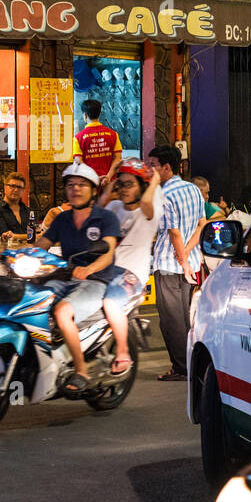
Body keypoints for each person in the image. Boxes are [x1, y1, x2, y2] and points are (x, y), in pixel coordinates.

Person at [35, 163, 125, 395]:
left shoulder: (105, 218)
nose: (75, 189)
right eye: (71, 185)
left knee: (63, 312)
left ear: (94, 190)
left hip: (95, 281)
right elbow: (40, 247)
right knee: (32, 302)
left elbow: (108, 252)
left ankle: (81, 370)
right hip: (64, 278)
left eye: (82, 185)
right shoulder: (62, 219)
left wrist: (89, 268)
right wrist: (9, 256)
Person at [98, 158, 161, 376]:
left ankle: (123, 352)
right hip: (105, 270)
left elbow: (145, 204)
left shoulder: (151, 208)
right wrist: (112, 177)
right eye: (121, 184)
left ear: (142, 186)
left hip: (131, 276)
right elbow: (99, 208)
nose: (124, 189)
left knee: (110, 302)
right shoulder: (115, 206)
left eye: (130, 184)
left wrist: (153, 181)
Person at [148, 145, 205, 381]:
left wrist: (181, 261)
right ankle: (190, 365)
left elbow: (174, 233)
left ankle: (182, 369)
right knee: (184, 318)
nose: (149, 170)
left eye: (152, 166)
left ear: (166, 167)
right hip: (189, 262)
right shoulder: (193, 189)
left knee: (171, 320)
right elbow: (202, 224)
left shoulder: (164, 194)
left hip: (170, 264)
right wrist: (188, 258)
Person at [73, 99, 122, 181]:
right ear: (99, 113)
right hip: (109, 184)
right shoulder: (113, 135)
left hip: (89, 184)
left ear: (85, 115)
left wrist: (94, 179)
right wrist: (107, 178)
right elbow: (118, 159)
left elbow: (79, 163)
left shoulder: (78, 138)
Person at [0, 172, 31, 244]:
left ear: (23, 191)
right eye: (12, 186)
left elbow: (35, 232)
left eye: (19, 187)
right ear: (5, 187)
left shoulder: (26, 210)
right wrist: (30, 236)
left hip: (27, 251)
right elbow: (4, 237)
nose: (15, 190)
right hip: (6, 252)